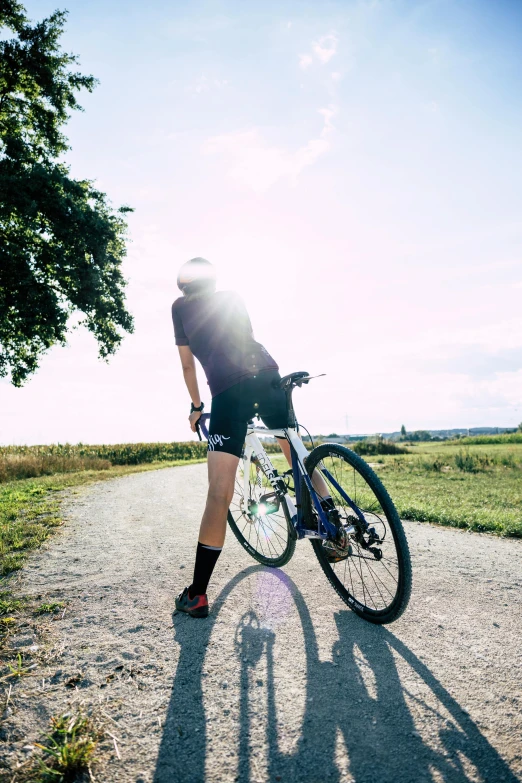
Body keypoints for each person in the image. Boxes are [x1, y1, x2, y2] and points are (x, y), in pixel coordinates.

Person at [172, 258, 330, 618]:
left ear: (183, 283)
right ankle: (333, 527)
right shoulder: (232, 296)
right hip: (269, 375)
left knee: (219, 492)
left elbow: (187, 364)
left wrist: (197, 405)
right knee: (297, 453)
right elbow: (245, 338)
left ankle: (196, 595)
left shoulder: (180, 307)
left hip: (230, 391)